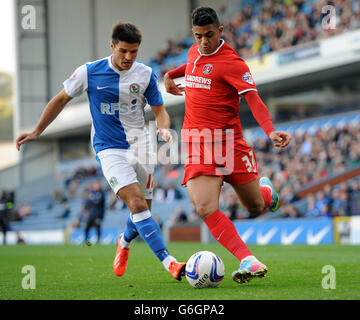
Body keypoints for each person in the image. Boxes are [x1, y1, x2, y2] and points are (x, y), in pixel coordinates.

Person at [16, 22, 186, 281]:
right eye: (123, 51)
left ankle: (124, 241)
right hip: (109, 148)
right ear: (112, 46)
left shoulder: (145, 74)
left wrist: (163, 129)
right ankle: (169, 262)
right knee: (138, 204)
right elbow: (61, 99)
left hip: (141, 146)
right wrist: (38, 131)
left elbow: (160, 111)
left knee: (142, 213)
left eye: (134, 52)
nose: (129, 57)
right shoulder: (89, 72)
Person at [164, 7, 291, 284]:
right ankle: (250, 259)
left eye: (209, 35)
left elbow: (254, 100)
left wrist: (270, 131)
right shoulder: (194, 51)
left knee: (255, 207)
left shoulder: (234, 63)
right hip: (198, 143)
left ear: (220, 31)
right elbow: (190, 66)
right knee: (204, 207)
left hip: (229, 144)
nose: (203, 42)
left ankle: (267, 192)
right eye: (198, 36)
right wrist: (169, 76)